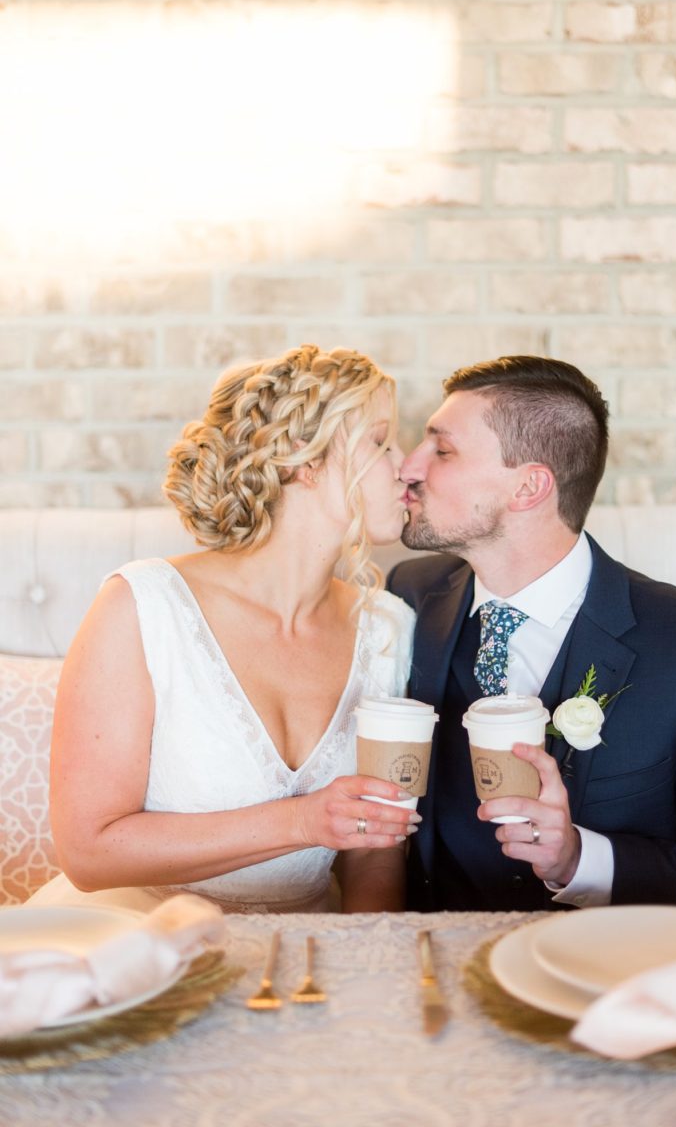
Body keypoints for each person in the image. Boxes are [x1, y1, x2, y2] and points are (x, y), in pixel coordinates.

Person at [386, 355, 676, 912]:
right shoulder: (410, 592)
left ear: (529, 487)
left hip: (592, 973)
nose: (408, 468)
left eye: (442, 449)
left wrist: (581, 859)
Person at [31, 344, 417, 915]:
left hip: (311, 946)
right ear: (300, 458)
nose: (406, 465)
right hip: (140, 940)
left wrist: (371, 971)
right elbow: (88, 853)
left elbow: (375, 850)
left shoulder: (388, 627)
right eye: (380, 441)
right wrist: (304, 821)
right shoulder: (141, 607)